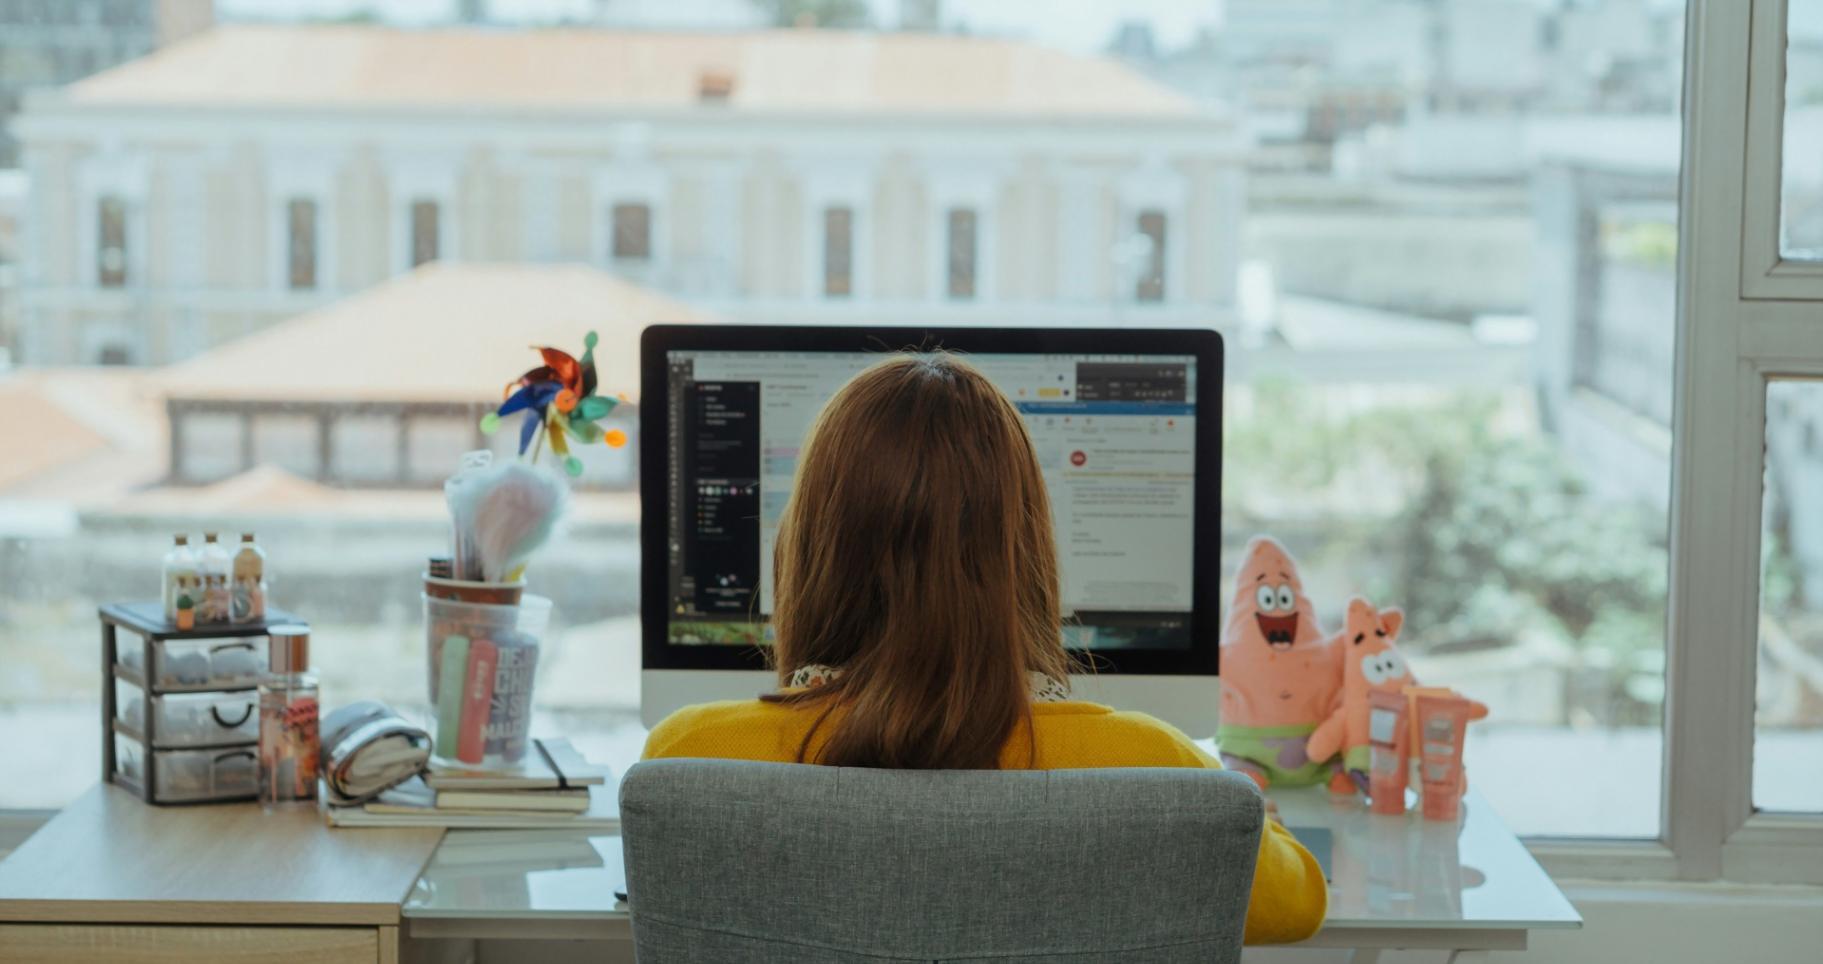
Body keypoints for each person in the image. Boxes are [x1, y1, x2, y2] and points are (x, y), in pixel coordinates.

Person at [643, 352, 1327, 944]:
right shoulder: (1161, 774)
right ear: (1024, 552)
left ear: (806, 550)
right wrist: (1243, 806)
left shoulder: (690, 759)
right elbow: (1296, 908)